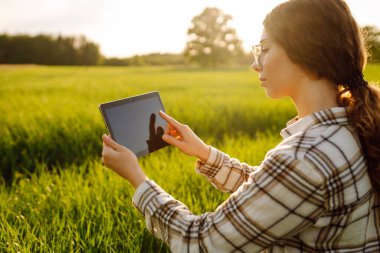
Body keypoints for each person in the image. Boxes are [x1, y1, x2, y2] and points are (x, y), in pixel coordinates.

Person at [101, 0, 380, 252]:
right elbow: (278, 193)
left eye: (265, 49)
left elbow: (201, 243)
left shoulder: (305, 156)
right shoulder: (352, 127)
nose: (255, 64)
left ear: (306, 55)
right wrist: (205, 154)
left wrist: (137, 179)